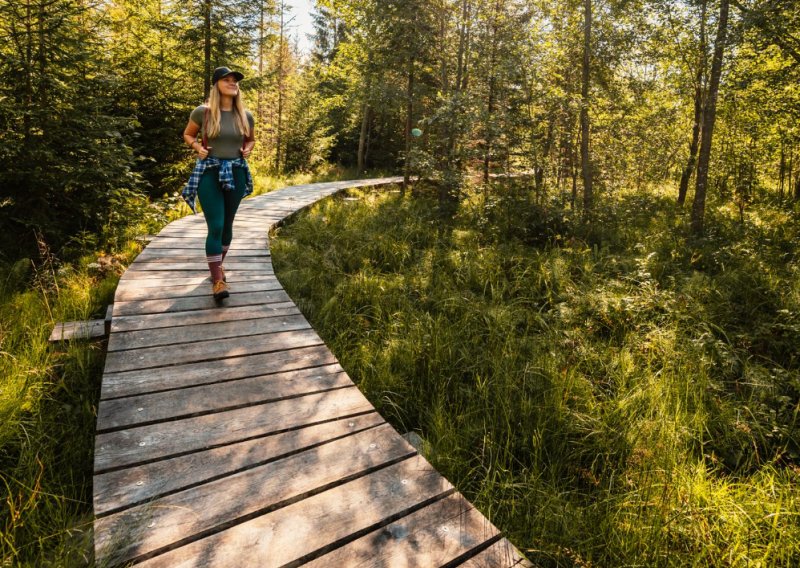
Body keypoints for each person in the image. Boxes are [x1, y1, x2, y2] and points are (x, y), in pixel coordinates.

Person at [182, 66, 256, 301]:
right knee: (216, 224)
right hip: (209, 172)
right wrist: (198, 148)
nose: (233, 83)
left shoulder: (245, 116)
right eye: (227, 79)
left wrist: (247, 150)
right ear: (216, 85)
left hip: (236, 171)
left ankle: (217, 268)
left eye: (235, 80)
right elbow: (188, 135)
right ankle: (218, 281)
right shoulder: (202, 113)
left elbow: (251, 140)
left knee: (227, 227)